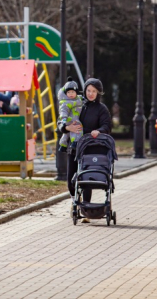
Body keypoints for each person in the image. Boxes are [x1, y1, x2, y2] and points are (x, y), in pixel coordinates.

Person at [60, 78, 111, 215]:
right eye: (88, 90)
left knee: (86, 178)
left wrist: (98, 131)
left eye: (94, 91)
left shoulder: (102, 109)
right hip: (74, 147)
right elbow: (62, 120)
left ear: (98, 92)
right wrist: (67, 127)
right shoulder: (77, 104)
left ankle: (85, 210)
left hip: (90, 148)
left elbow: (106, 126)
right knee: (70, 179)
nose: (91, 93)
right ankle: (74, 200)